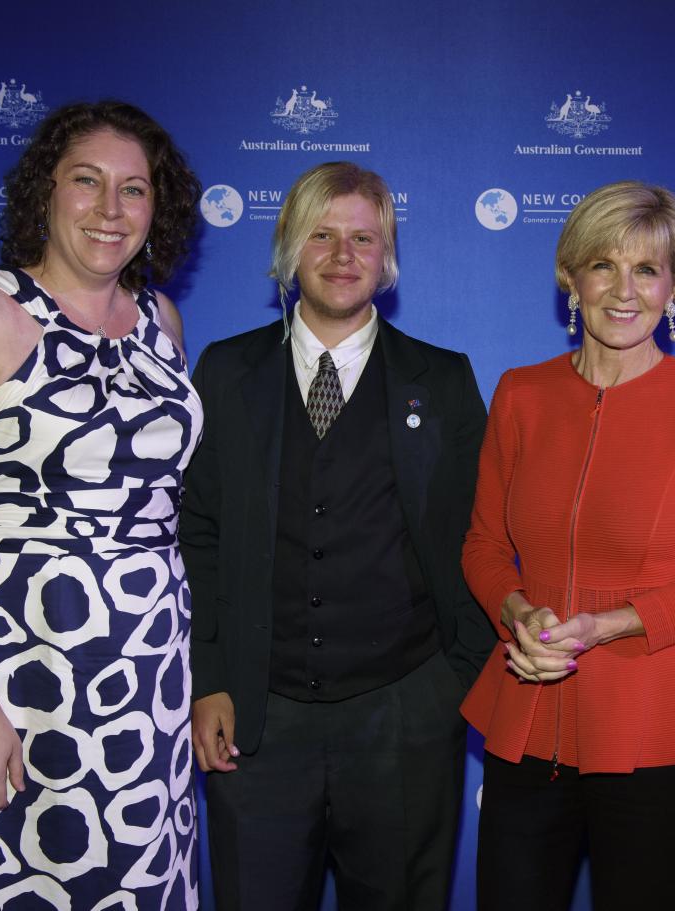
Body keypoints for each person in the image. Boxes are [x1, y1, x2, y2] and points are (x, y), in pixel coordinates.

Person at [0, 100, 203, 909]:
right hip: (18, 672)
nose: (110, 209)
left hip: (149, 675)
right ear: (44, 192)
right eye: (86, 181)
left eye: (134, 189)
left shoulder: (161, 323)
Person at [181, 161, 493, 911]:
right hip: (255, 719)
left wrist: (450, 688)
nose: (342, 254)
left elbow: (481, 533)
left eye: (363, 237)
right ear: (288, 247)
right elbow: (199, 532)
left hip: (403, 718)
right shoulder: (227, 371)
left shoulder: (442, 379)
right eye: (321, 234)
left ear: (387, 259)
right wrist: (211, 678)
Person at [460, 180, 675, 911]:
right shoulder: (520, 393)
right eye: (603, 265)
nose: (623, 290)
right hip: (526, 716)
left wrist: (608, 623)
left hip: (649, 727)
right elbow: (483, 543)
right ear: (571, 276)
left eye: (647, 270)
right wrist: (517, 610)